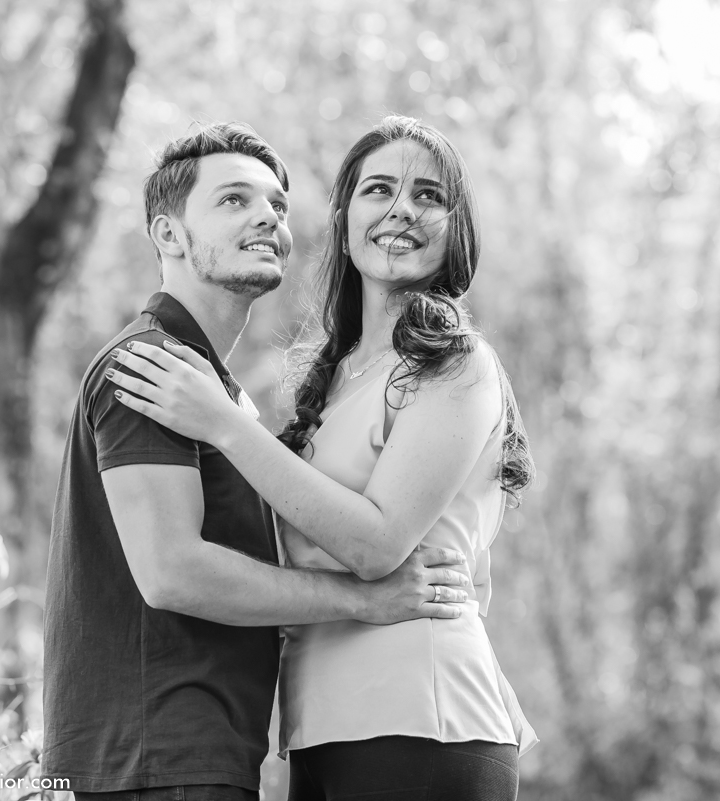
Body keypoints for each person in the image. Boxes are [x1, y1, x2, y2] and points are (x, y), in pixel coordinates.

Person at [106, 115, 538, 799]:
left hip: (423, 719)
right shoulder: (333, 381)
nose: (402, 209)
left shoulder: (457, 365)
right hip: (320, 727)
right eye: (379, 190)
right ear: (343, 219)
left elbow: (376, 545)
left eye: (429, 195)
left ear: (456, 229)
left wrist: (223, 423)